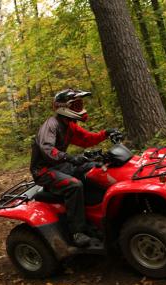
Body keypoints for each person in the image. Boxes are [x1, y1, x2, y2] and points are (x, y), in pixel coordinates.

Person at [30, 89, 117, 247]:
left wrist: (106, 133)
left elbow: (87, 139)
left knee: (95, 168)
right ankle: (78, 232)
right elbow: (47, 149)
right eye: (75, 105)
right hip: (43, 170)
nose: (79, 108)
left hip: (61, 165)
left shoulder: (69, 125)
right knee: (74, 185)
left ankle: (96, 216)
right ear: (62, 107)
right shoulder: (51, 125)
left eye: (80, 104)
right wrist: (70, 158)